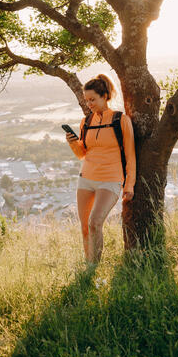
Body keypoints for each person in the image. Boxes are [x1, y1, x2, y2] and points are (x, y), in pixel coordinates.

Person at [65, 74, 136, 264]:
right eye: (86, 100)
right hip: (86, 177)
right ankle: (89, 265)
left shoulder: (121, 120)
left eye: (92, 99)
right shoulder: (86, 122)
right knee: (85, 227)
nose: (88, 104)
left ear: (104, 96)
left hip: (111, 178)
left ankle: (93, 266)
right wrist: (73, 143)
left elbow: (130, 156)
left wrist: (129, 185)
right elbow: (82, 154)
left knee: (95, 223)